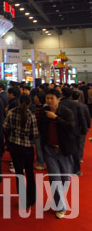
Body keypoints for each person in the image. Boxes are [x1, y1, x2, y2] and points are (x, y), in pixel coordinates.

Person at [38, 89, 77, 219]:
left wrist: (56, 118)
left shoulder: (66, 112)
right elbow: (41, 129)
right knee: (55, 178)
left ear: (58, 99)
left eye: (52, 98)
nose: (49, 101)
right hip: (49, 149)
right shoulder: (43, 112)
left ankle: (59, 196)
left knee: (65, 179)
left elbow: (71, 127)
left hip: (64, 149)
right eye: (47, 98)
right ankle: (60, 206)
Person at [4, 94, 38, 208]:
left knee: (19, 173)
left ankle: (23, 200)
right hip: (28, 147)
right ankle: (32, 198)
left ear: (19, 102)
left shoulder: (11, 112)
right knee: (30, 172)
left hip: (15, 145)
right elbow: (35, 134)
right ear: (29, 103)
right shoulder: (31, 115)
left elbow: (5, 127)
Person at [70, 90, 90, 174]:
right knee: (80, 144)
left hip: (71, 128)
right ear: (79, 97)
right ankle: (79, 158)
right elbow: (87, 117)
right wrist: (87, 127)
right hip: (81, 128)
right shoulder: (83, 106)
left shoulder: (67, 105)